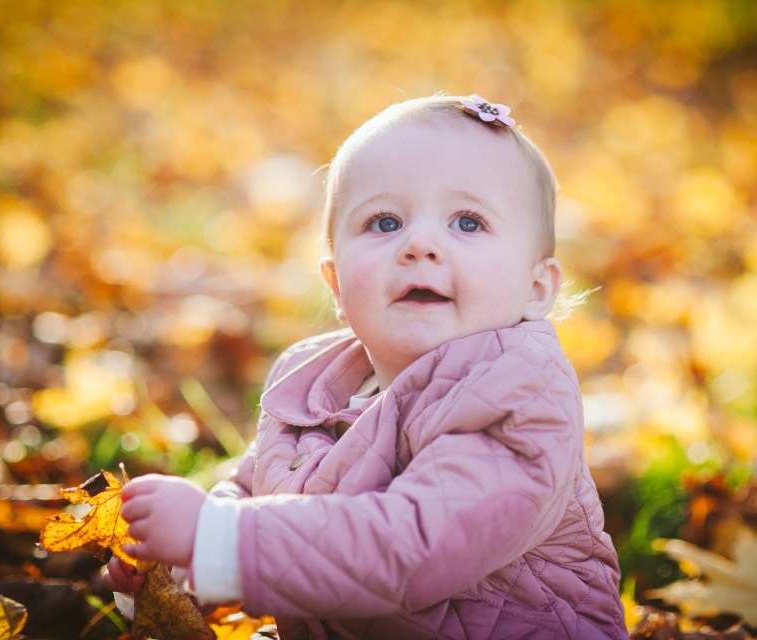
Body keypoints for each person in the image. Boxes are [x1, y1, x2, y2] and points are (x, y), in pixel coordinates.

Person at [104, 94, 628, 639]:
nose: (420, 244)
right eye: (384, 221)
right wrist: (181, 558)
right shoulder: (313, 385)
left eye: (468, 223)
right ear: (334, 281)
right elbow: (259, 488)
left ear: (536, 288)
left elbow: (412, 545)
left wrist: (219, 538)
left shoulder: (519, 391)